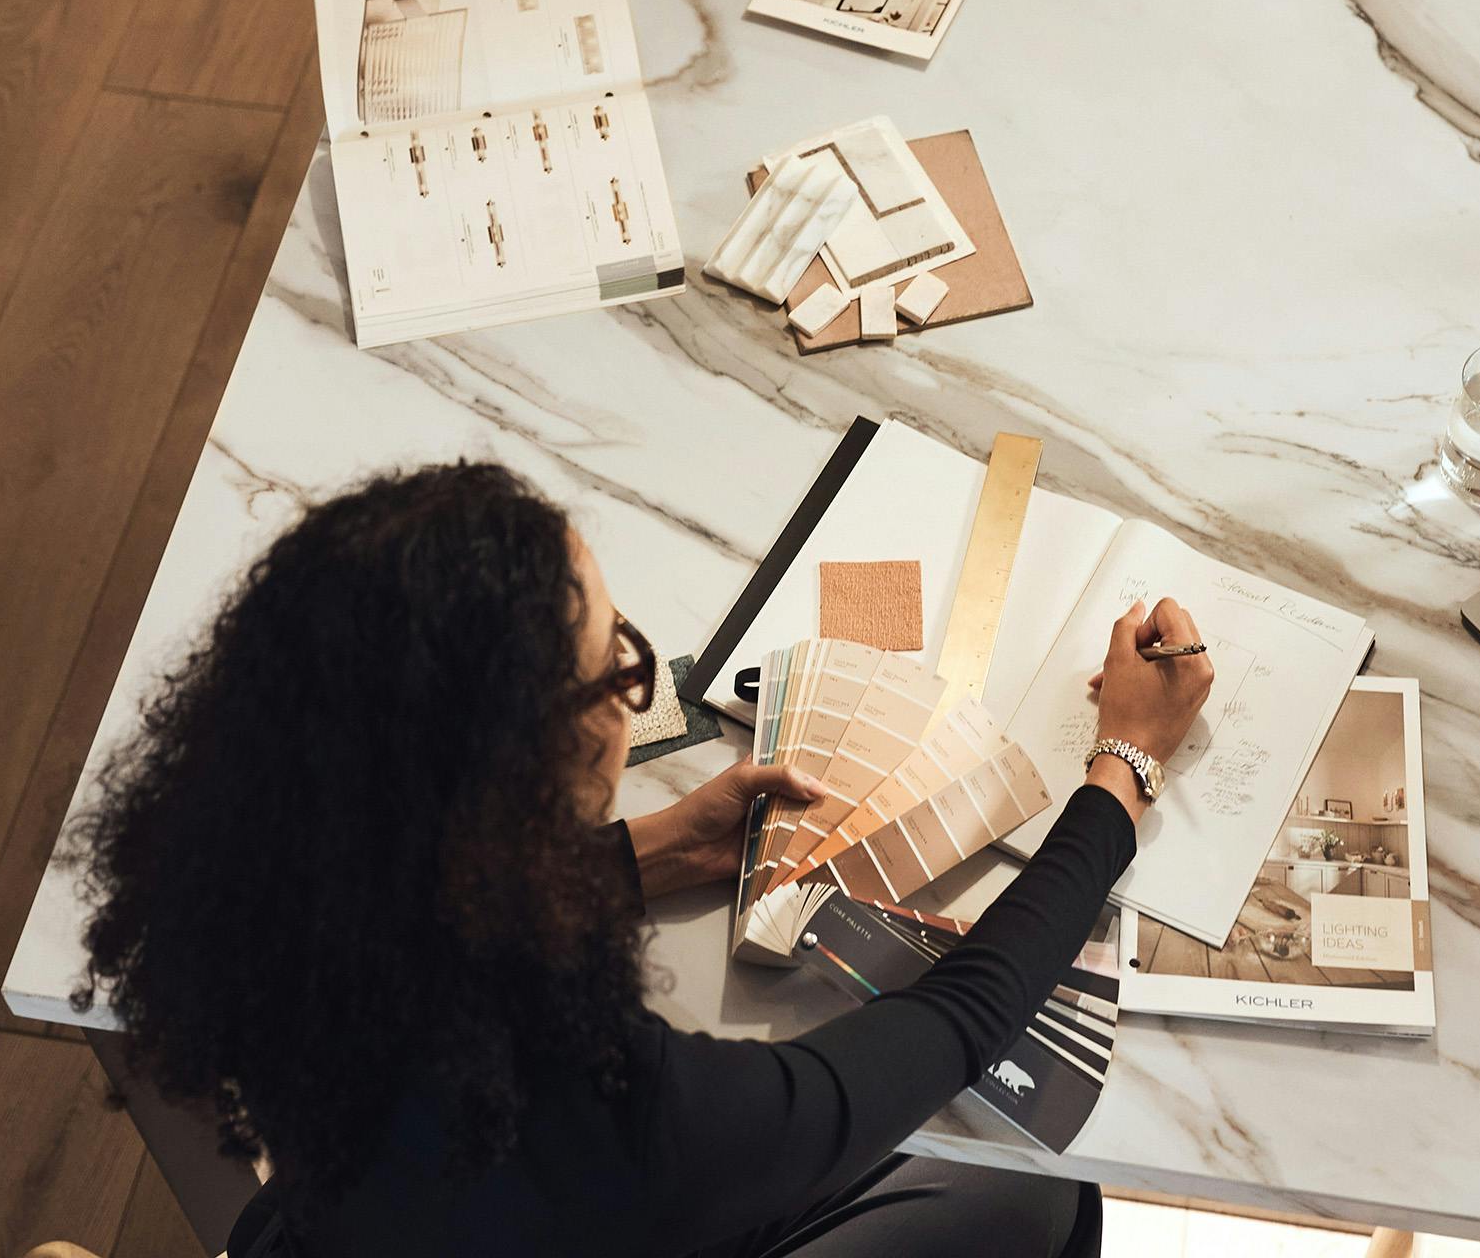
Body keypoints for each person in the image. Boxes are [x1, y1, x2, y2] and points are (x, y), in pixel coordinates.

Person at [71, 462, 1213, 1258]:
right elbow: (952, 1030)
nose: (633, 675)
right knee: (1041, 1206)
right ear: (561, 754)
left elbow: (430, 917)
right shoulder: (606, 1111)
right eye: (616, 658)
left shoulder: (277, 891)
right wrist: (1123, 766)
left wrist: (639, 855)